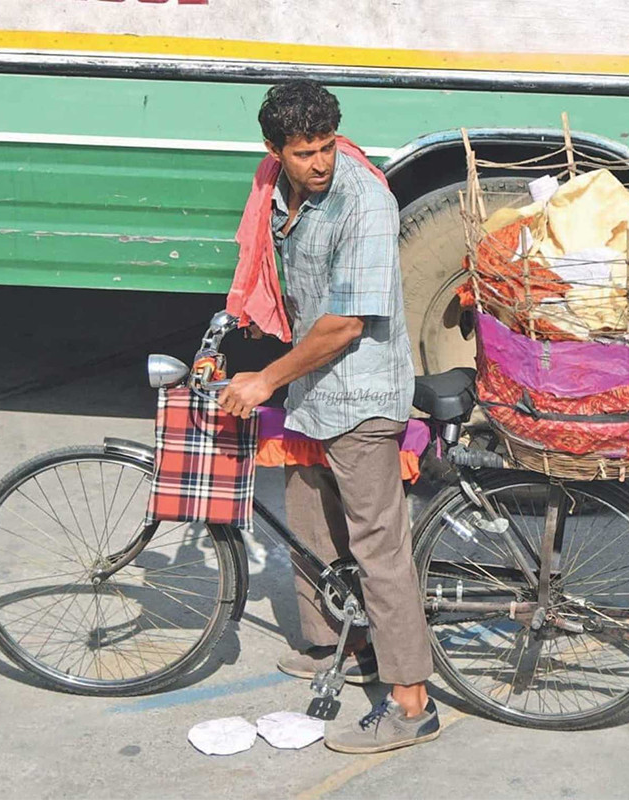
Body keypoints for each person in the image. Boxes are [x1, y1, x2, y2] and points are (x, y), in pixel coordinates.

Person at [218, 80, 439, 754]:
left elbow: (344, 325)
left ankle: (412, 703)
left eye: (325, 149)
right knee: (311, 522)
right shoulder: (275, 186)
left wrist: (264, 381)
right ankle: (345, 647)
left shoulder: (364, 201)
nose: (318, 163)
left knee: (378, 549)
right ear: (274, 150)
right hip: (314, 392)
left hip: (362, 393)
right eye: (302, 152)